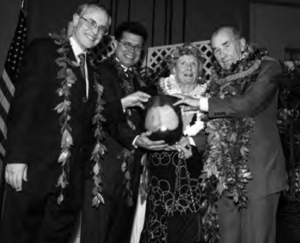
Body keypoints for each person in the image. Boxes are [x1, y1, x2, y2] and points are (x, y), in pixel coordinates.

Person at [0, 2, 111, 243]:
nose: (95, 30)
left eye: (102, 28)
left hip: (69, 182)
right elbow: (23, 106)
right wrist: (16, 158)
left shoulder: (94, 71)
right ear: (75, 19)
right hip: (33, 172)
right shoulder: (44, 49)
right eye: (91, 22)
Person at [175, 26, 287, 243]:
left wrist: (201, 102)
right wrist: (189, 141)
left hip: (260, 176)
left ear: (242, 44)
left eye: (226, 45)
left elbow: (247, 104)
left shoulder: (269, 67)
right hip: (225, 178)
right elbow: (214, 126)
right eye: (215, 50)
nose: (221, 54)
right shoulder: (218, 82)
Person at [80, 21, 167, 243]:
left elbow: (151, 121)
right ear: (115, 44)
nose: (131, 50)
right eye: (127, 44)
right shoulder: (98, 72)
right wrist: (137, 139)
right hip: (102, 170)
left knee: (120, 236)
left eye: (137, 47)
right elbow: (99, 116)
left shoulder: (143, 82)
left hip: (132, 172)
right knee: (96, 236)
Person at [139, 43, 207, 243]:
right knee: (159, 226)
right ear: (173, 68)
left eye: (193, 64)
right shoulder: (157, 92)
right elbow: (144, 126)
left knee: (190, 227)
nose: (188, 68)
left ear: (199, 69)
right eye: (183, 63)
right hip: (162, 171)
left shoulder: (209, 96)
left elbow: (216, 132)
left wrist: (193, 142)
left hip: (194, 171)